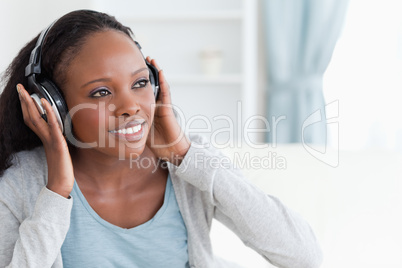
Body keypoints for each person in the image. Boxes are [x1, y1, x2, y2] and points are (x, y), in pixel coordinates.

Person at [0, 10, 323, 268]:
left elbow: (302, 257)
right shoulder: (23, 184)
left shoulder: (188, 163)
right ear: (51, 104)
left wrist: (184, 154)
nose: (131, 107)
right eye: (101, 92)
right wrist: (56, 191)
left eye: (140, 83)